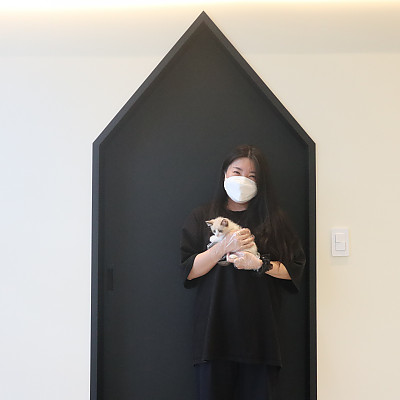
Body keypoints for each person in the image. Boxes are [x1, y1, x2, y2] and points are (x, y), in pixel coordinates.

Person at [180, 144, 306, 400]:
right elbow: (189, 271)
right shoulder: (203, 217)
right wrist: (223, 247)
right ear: (225, 173)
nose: (243, 180)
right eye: (237, 172)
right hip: (213, 336)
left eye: (252, 176)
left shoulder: (274, 220)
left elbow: (293, 269)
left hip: (261, 337)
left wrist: (259, 263)